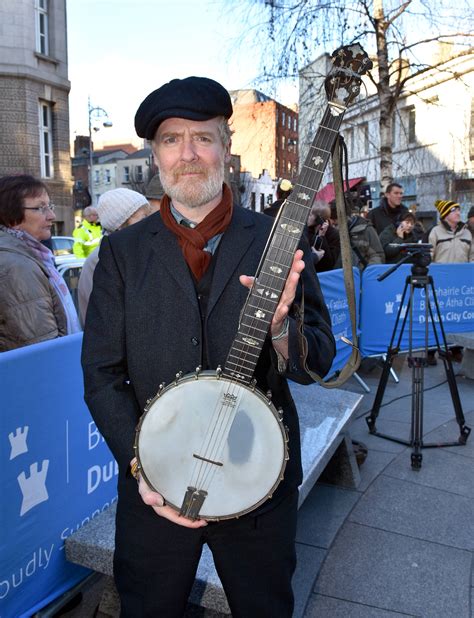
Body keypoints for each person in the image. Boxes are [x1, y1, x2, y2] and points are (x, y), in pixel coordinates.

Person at [81, 76, 335, 617]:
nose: (188, 154)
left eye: (202, 137)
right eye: (172, 139)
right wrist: (141, 467)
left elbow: (317, 361)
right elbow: (101, 374)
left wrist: (281, 327)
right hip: (156, 481)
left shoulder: (276, 238)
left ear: (225, 146)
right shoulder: (122, 253)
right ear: (156, 155)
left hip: (258, 479)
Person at [0, 174, 81, 351]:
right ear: (11, 216)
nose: (51, 215)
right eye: (40, 208)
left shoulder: (28, 255)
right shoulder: (16, 266)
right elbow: (42, 347)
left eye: (49, 206)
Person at [77, 188, 151, 325]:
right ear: (121, 223)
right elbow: (101, 321)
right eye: (144, 217)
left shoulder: (137, 252)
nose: (150, 222)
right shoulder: (99, 261)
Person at [331, 201, 384, 270]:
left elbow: (377, 255)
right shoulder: (331, 235)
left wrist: (367, 274)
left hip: (362, 276)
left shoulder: (365, 229)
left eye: (335, 224)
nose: (333, 226)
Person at [306, 200, 340, 272]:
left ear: (319, 219)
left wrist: (322, 236)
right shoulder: (305, 231)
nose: (306, 217)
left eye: (310, 215)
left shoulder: (333, 234)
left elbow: (329, 263)